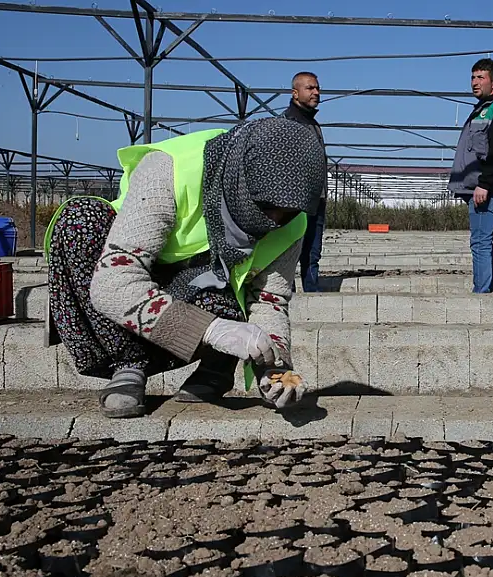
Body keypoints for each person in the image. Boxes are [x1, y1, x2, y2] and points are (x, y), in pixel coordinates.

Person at [43, 117, 324, 419]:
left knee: (221, 274)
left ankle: (216, 365)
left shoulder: (294, 223)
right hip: (135, 295)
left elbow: (270, 300)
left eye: (289, 213)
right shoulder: (171, 169)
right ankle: (127, 364)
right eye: (265, 207)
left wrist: (276, 368)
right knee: (80, 220)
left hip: (204, 290)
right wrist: (212, 330)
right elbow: (114, 284)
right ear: (241, 181)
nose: (274, 222)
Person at [447, 58, 493, 293]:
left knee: (479, 242)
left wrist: (484, 184)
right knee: (483, 242)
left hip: (487, 188)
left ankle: (482, 294)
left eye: (481, 78)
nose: (475, 82)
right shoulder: (482, 109)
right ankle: (491, 291)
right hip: (478, 186)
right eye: (473, 77)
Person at [283, 71, 328, 293]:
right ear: (295, 92)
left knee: (312, 250)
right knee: (289, 248)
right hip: (295, 202)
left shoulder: (313, 124)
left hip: (315, 199)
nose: (316, 92)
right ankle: (286, 292)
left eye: (317, 88)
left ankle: (311, 291)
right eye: (310, 88)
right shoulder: (288, 123)